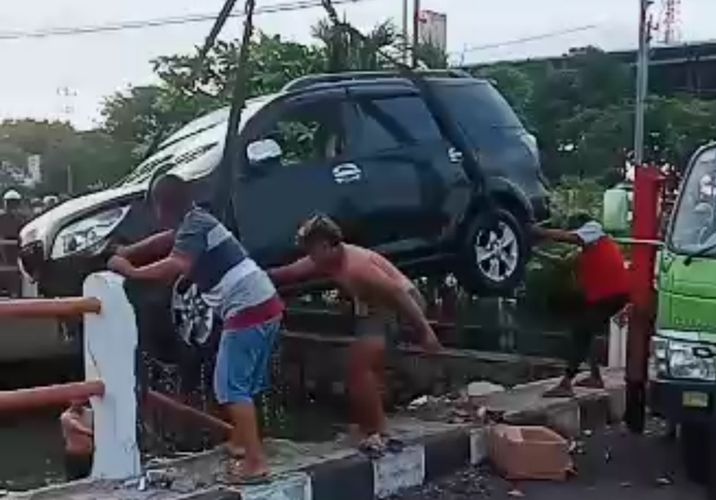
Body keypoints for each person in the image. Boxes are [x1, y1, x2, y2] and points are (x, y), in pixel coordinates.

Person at [107, 174, 284, 483]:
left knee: (230, 387)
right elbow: (166, 241)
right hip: (263, 303)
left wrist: (129, 270)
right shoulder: (196, 221)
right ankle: (243, 443)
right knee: (244, 384)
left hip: (247, 310)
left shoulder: (195, 225)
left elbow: (175, 264)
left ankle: (256, 464)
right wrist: (130, 251)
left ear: (162, 206)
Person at [266, 214, 443, 456]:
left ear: (326, 245)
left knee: (359, 369)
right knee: (366, 371)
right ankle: (369, 426)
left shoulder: (357, 267)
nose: (309, 255)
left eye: (312, 249)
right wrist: (254, 276)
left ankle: (380, 431)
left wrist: (426, 332)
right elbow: (289, 273)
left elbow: (398, 294)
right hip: (371, 307)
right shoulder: (325, 259)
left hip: (399, 306)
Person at [532, 212, 629, 398]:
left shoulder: (594, 229)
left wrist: (539, 232)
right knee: (587, 330)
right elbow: (563, 263)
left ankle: (566, 382)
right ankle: (595, 376)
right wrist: (536, 253)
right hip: (608, 296)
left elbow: (570, 238)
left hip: (610, 294)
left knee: (581, 332)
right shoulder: (590, 245)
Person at [60, 399, 94, 481]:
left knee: (88, 478)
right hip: (75, 455)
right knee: (73, 479)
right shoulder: (66, 417)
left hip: (88, 453)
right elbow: (78, 428)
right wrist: (96, 434)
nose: (78, 402)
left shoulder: (90, 413)